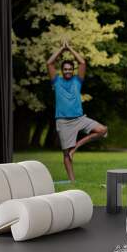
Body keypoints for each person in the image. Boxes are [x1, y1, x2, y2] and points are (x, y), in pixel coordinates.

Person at [47, 40, 108, 182]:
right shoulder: (56, 81)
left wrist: (70, 49)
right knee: (66, 154)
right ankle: (72, 181)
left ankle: (76, 147)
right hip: (63, 121)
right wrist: (62, 49)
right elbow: (49, 63)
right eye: (65, 69)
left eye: (70, 69)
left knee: (102, 130)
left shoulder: (77, 80)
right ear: (62, 71)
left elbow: (82, 63)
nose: (68, 71)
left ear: (72, 70)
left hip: (80, 119)